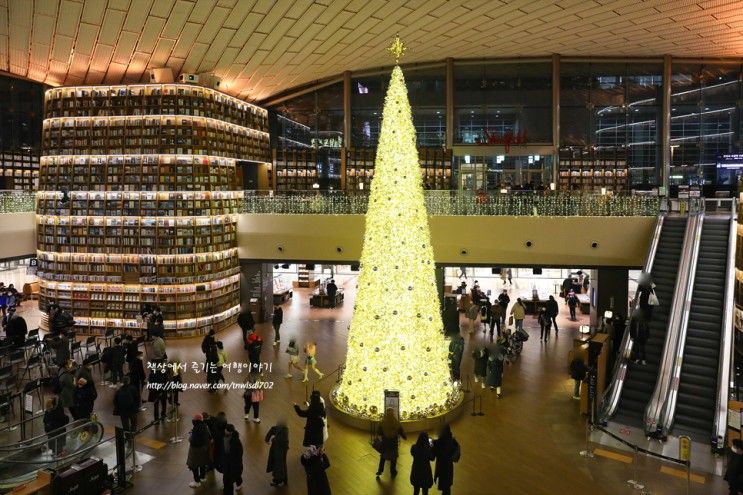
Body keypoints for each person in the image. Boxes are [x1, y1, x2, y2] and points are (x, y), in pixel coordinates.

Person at [375, 408, 407, 478]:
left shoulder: (382, 422)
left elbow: (379, 433)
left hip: (385, 443)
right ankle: (393, 471)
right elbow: (403, 433)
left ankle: (380, 471)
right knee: (394, 458)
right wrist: (404, 436)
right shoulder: (396, 423)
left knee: (383, 457)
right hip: (393, 444)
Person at [433, 425, 460, 495]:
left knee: (445, 486)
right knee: (447, 487)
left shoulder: (439, 442)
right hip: (448, 467)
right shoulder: (452, 441)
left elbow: (434, 454)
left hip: (442, 468)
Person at [187, 413, 212, 488]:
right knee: (202, 463)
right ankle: (203, 477)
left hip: (195, 450)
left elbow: (192, 440)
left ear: (196, 420)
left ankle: (197, 481)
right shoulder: (205, 426)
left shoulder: (196, 428)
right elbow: (209, 437)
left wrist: (190, 435)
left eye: (194, 419)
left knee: (194, 465)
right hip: (204, 449)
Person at [265, 421, 289, 487]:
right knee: (281, 463)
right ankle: (282, 480)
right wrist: (268, 439)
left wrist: (272, 439)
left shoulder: (282, 431)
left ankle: (279, 480)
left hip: (279, 449)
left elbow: (274, 430)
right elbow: (273, 429)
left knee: (279, 464)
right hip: (281, 449)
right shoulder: (283, 429)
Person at [221, 424, 243, 495]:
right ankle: (237, 484)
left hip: (232, 465)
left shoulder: (235, 442)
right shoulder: (226, 438)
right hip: (228, 464)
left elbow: (238, 454)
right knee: (228, 480)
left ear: (229, 432)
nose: (225, 431)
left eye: (226, 430)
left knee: (229, 481)